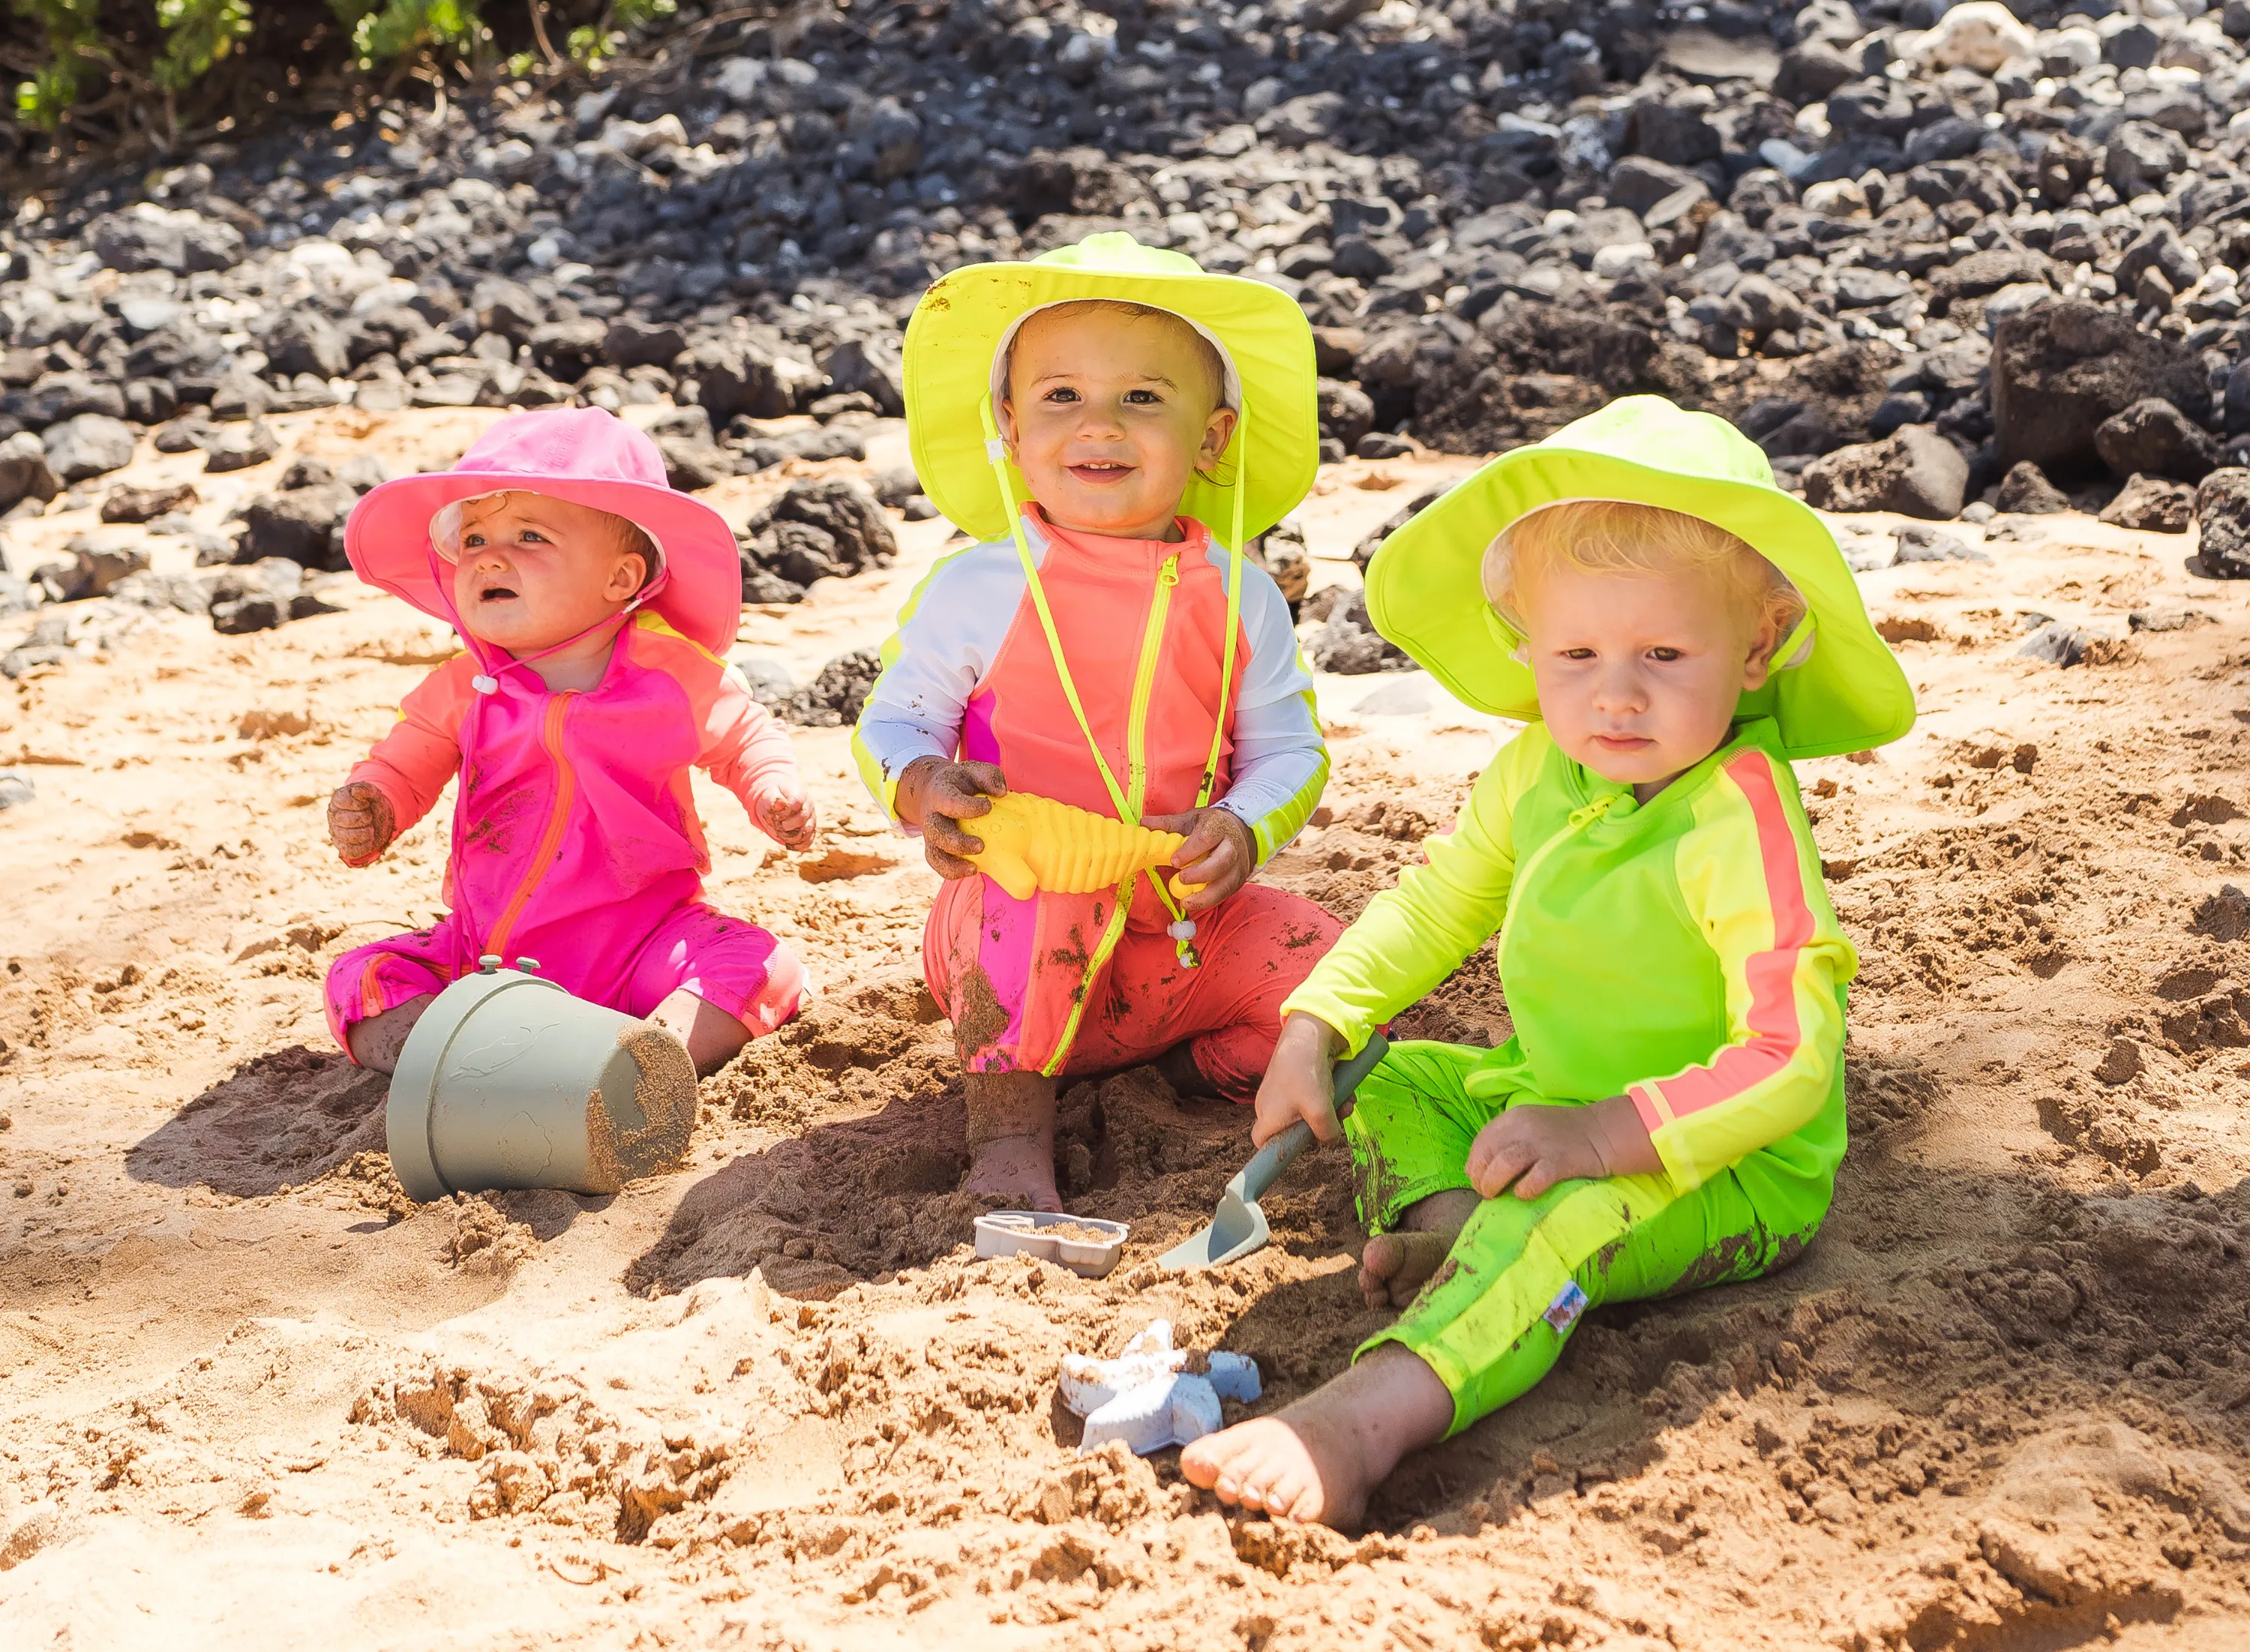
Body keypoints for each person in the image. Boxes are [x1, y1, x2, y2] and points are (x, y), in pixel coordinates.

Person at [1180, 396, 1916, 1528]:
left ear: (1758, 644)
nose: (1615, 694)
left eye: (1665, 654)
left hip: (1720, 1166)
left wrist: (1599, 1138)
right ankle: (1452, 1240)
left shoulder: (1737, 815)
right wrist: (1314, 1027)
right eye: (1576, 654)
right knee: (1394, 1081)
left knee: (1561, 1215)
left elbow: (1788, 1058)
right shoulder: (1539, 769)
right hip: (1559, 1099)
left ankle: (1369, 1416)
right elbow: (1436, 902)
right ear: (1527, 647)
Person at [853, 232, 1341, 1210]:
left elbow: (1291, 751)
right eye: (1061, 396)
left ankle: (1176, 1078)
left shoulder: (1241, 596)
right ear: (1008, 426)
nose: (1099, 425)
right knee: (1028, 891)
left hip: (1178, 938)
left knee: (1330, 968)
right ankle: (1009, 1138)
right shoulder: (984, 584)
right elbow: (892, 722)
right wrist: (923, 786)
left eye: (1144, 399)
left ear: (1214, 438)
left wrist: (1243, 827)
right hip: (1008, 931)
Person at [323, 406, 815, 1084]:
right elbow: (403, 762)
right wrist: (374, 804)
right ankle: (448, 1062)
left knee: (756, 965)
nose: (489, 556)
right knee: (362, 979)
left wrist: (771, 791)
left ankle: (646, 1059)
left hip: (645, 941)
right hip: (488, 955)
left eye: (529, 536)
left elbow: (744, 736)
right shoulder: (466, 687)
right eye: (472, 541)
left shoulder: (668, 678)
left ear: (620, 579)